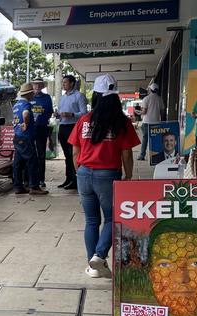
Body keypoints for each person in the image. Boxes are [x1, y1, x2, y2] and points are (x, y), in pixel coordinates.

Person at [68, 74, 140, 278]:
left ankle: (93, 267)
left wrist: (79, 171)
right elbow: (127, 153)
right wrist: (128, 176)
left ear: (96, 96)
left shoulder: (84, 120)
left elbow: (75, 151)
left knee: (91, 220)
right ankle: (99, 256)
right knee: (113, 217)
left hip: (83, 173)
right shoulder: (121, 122)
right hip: (108, 175)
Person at [12, 83, 47, 195]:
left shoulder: (16, 105)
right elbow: (26, 114)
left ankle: (18, 186)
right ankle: (34, 187)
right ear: (29, 94)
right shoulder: (26, 105)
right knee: (32, 162)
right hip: (26, 137)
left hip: (17, 137)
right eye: (32, 92)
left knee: (18, 163)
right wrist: (26, 124)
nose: (33, 94)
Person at [56, 75, 88, 190]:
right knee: (66, 155)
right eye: (63, 82)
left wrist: (72, 114)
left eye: (65, 82)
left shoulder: (79, 96)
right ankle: (68, 178)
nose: (63, 84)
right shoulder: (63, 97)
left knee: (73, 154)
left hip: (73, 126)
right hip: (63, 126)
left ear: (72, 83)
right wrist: (58, 114)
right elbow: (60, 111)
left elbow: (84, 113)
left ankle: (76, 179)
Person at [30, 77, 54, 189]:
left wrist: (42, 117)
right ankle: (30, 179)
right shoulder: (29, 97)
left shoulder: (47, 97)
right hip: (30, 129)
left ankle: (41, 179)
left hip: (42, 128)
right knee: (30, 154)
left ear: (43, 86)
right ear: (32, 85)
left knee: (41, 155)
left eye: (39, 85)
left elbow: (50, 112)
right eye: (35, 84)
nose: (37, 87)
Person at [135, 83, 165, 160]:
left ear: (150, 90)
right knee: (156, 139)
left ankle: (142, 155)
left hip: (147, 122)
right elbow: (162, 112)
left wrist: (139, 112)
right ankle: (156, 156)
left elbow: (144, 112)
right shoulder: (160, 99)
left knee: (145, 139)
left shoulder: (146, 99)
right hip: (156, 123)